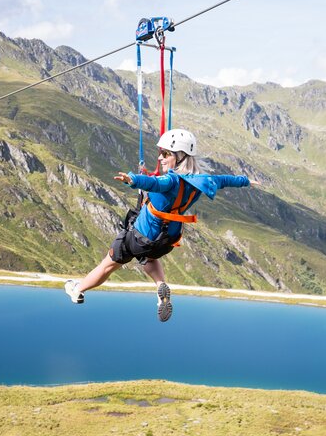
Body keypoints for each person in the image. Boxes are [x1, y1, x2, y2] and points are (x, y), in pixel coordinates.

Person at [64, 128, 258, 322]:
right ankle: (160, 289)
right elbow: (225, 180)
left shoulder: (170, 180)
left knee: (108, 265)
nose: (160, 158)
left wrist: (132, 179)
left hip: (139, 236)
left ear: (180, 156)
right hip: (165, 241)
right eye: (160, 153)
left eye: (165, 154)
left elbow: (153, 184)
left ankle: (78, 289)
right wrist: (246, 181)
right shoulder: (203, 181)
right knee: (148, 257)